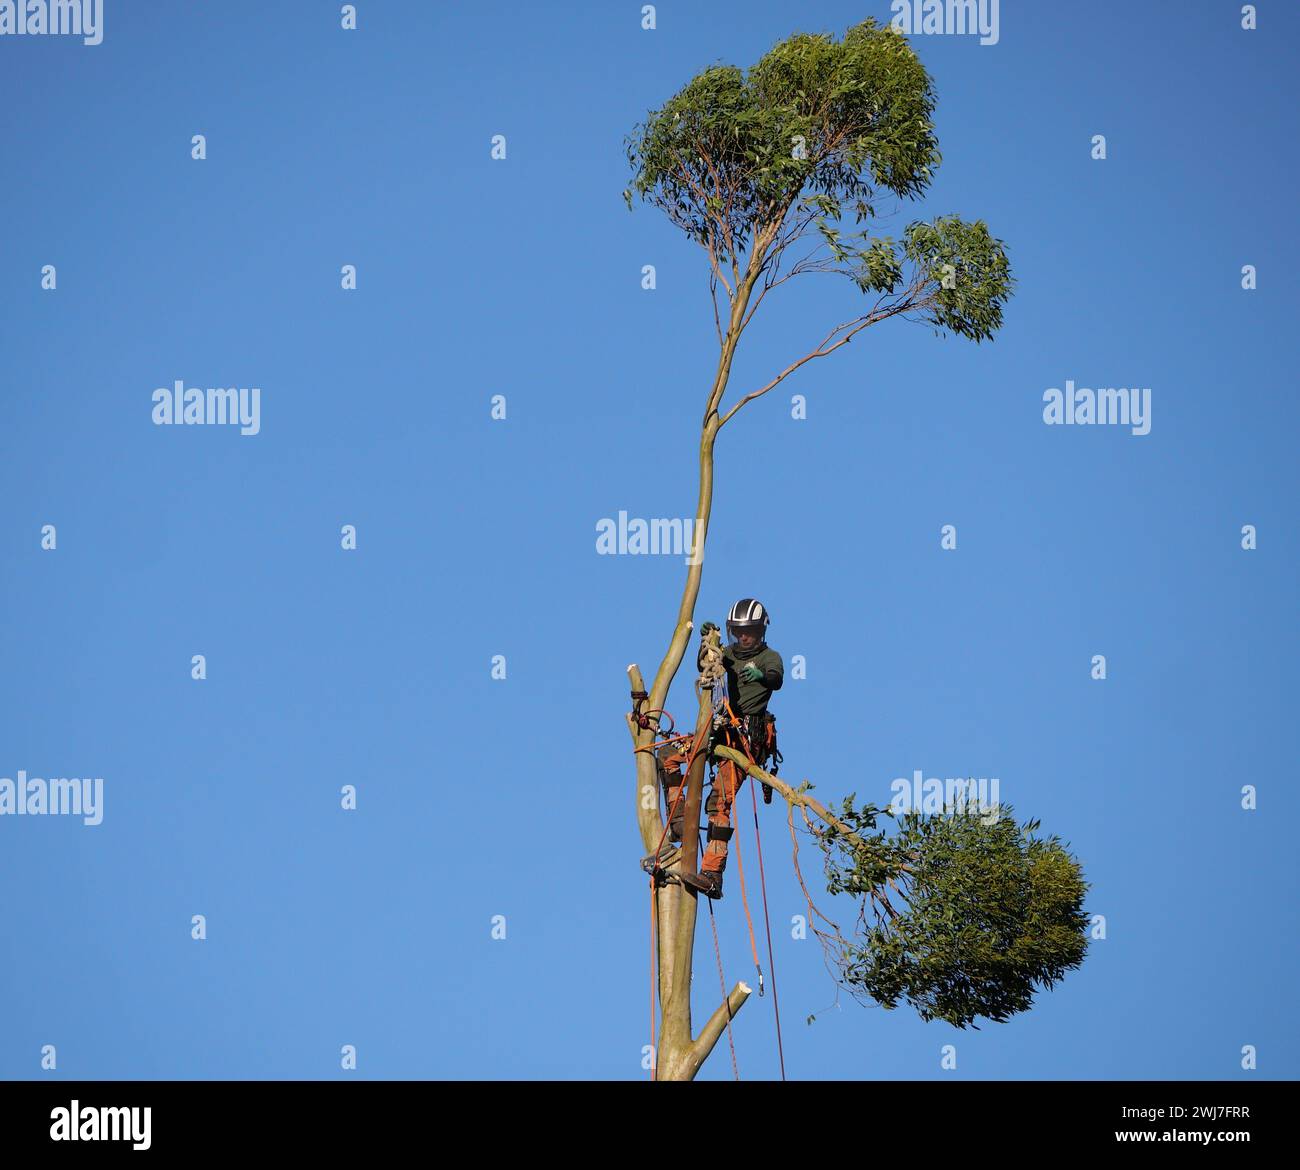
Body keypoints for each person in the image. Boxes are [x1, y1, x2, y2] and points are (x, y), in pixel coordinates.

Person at [680, 598, 783, 899]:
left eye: (749, 631)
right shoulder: (726, 655)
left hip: (747, 739)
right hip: (720, 729)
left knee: (718, 802)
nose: (744, 637)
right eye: (739, 631)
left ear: (760, 631)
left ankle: (712, 873)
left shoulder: (769, 657)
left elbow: (776, 680)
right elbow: (709, 667)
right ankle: (677, 825)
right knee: (669, 756)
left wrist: (761, 676)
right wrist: (708, 643)